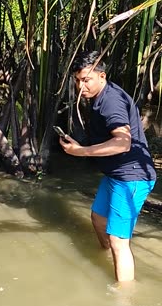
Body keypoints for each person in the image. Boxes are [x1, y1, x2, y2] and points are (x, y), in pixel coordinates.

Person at [59, 51, 156, 282]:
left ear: (102, 76)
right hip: (115, 174)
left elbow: (123, 143)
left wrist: (81, 152)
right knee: (98, 218)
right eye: (77, 80)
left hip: (131, 177)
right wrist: (80, 145)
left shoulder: (110, 102)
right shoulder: (100, 96)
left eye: (86, 80)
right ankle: (110, 260)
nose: (81, 86)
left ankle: (123, 299)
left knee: (119, 241)